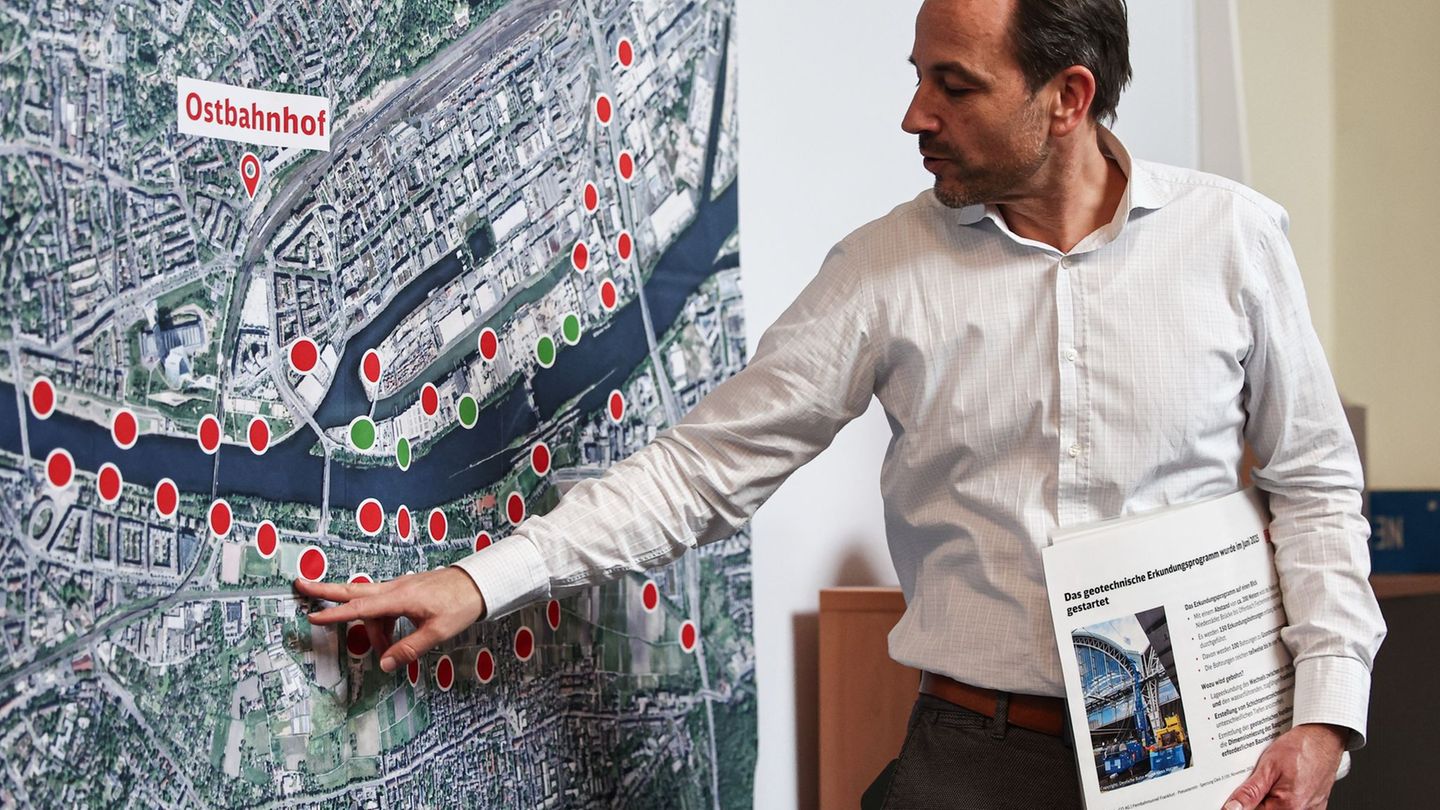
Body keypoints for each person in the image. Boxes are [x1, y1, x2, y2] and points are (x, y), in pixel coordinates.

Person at [296, 0, 1386, 806]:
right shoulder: (881, 270)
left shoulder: (1233, 240)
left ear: (1069, 98)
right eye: (918, 75)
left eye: (954, 86)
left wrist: (1328, 719)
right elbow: (698, 471)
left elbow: (1318, 487)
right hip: (974, 759)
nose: (915, 114)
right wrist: (482, 582)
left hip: (1203, 758)